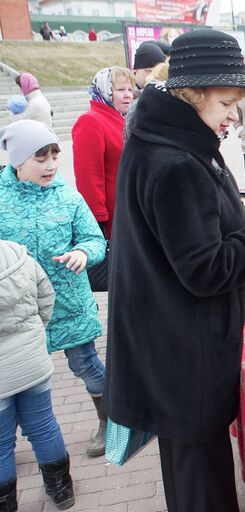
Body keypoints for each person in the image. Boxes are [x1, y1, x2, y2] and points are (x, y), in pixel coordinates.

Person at [103, 29, 245, 512]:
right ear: (192, 93)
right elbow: (205, 269)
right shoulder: (175, 161)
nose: (233, 114)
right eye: (226, 102)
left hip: (166, 341)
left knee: (187, 471)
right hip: (183, 351)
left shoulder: (165, 136)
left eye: (238, 102)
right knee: (202, 482)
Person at [0, 120, 108, 461]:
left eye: (54, 156)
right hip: (17, 312)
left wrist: (82, 253)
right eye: (40, 158)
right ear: (17, 161)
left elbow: (94, 240)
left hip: (68, 304)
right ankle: (10, 440)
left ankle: (111, 420)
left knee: (86, 365)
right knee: (17, 377)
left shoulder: (67, 195)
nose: (50, 165)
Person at [0, 239, 75, 511]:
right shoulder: (14, 252)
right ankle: (62, 490)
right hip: (32, 361)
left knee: (0, 444)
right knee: (44, 425)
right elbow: (46, 295)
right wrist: (34, 333)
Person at [72, 67, 135, 240]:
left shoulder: (122, 118)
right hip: (112, 216)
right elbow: (88, 176)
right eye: (121, 90)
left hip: (128, 209)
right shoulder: (91, 121)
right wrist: (98, 218)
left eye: (130, 89)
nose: (128, 95)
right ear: (105, 90)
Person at [124, 43, 167, 141]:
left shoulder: (167, 98)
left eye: (157, 71)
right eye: (148, 71)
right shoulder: (124, 99)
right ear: (135, 72)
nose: (153, 75)